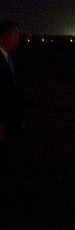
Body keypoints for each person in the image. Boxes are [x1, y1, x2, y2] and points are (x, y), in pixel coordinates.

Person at [0, 21, 23, 180]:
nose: (19, 37)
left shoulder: (8, 58)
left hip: (10, 121)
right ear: (6, 35)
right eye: (16, 34)